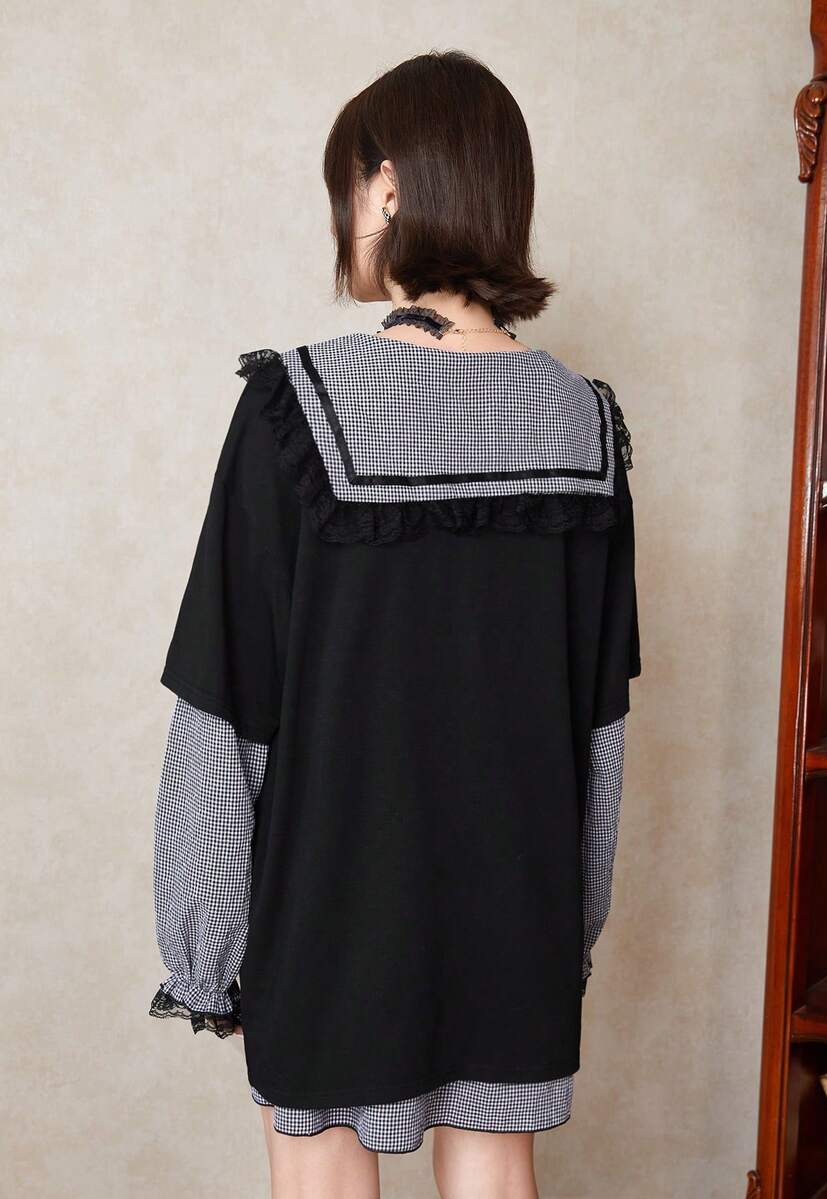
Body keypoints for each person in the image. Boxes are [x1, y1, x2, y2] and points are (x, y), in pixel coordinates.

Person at [148, 47, 641, 1199]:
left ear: (385, 187)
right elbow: (600, 730)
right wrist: (564, 928)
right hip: (515, 908)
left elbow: (224, 712)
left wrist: (208, 953)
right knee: (496, 1175)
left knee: (319, 1174)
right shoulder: (586, 426)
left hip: (332, 907)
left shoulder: (294, 406)